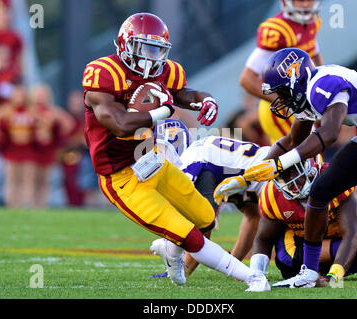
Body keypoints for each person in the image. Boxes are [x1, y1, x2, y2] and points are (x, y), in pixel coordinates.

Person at [82, 12, 269, 292]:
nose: (151, 56)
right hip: (121, 178)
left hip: (152, 160)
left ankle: (170, 251)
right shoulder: (104, 74)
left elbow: (181, 92)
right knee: (190, 236)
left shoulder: (165, 71)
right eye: (145, 47)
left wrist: (204, 99)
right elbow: (119, 125)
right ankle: (251, 278)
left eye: (157, 49)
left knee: (206, 217)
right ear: (125, 44)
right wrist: (162, 112)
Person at [214, 47, 357, 288]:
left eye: (282, 93)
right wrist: (246, 177)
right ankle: (309, 272)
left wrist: (280, 164)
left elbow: (328, 134)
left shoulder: (324, 84)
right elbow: (289, 141)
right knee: (320, 191)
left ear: (296, 80)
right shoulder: (309, 93)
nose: (280, 100)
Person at [249, 156, 357, 286]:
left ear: (311, 166)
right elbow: (264, 238)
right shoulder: (273, 196)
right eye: (283, 175)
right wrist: (256, 276)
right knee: (289, 263)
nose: (291, 180)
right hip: (335, 239)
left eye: (294, 171)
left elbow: (352, 234)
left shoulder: (335, 179)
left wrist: (334, 278)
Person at [150, 119, 270, 279]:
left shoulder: (191, 161)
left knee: (290, 260)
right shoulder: (204, 152)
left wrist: (182, 271)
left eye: (156, 148)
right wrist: (235, 263)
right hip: (272, 171)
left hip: (280, 179)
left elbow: (204, 223)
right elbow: (252, 216)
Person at [239, 0, 324, 145]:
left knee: (312, 154)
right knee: (299, 156)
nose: (305, 5)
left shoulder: (311, 23)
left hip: (302, 103)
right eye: (300, 0)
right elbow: (246, 79)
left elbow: (314, 53)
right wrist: (288, 103)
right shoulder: (278, 31)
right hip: (280, 109)